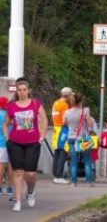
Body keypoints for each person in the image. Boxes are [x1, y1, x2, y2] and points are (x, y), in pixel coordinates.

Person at [2, 78, 48, 212]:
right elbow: (5, 124)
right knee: (17, 172)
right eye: (19, 90)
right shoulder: (12, 106)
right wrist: (7, 137)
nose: (22, 92)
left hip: (33, 142)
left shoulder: (35, 104)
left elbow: (44, 121)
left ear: (28, 91)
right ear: (16, 91)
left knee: (31, 174)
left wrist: (42, 137)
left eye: (24, 90)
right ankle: (17, 201)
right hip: (15, 142)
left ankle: (31, 191)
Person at [64, 93, 94, 187]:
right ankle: (89, 182)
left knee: (73, 161)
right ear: (81, 101)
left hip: (72, 137)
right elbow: (90, 124)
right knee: (87, 160)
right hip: (83, 137)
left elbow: (65, 123)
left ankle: (73, 182)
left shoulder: (67, 112)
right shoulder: (85, 111)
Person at [51, 87, 72, 185]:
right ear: (67, 95)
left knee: (57, 153)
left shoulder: (56, 103)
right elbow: (65, 120)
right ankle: (59, 176)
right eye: (71, 95)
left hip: (56, 129)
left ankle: (55, 175)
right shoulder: (65, 105)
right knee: (63, 152)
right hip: (63, 130)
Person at [0, 97, 13, 195]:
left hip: (1, 144)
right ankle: (10, 189)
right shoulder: (10, 115)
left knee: (1, 166)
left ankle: (0, 189)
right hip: (12, 143)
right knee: (11, 167)